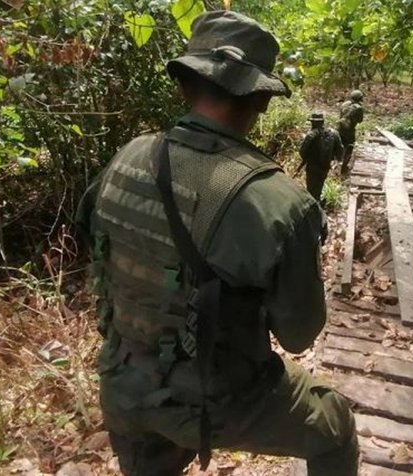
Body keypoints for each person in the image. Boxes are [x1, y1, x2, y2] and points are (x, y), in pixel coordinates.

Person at [76, 11, 358, 476]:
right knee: (335, 426)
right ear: (260, 101)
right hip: (218, 400)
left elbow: (94, 240)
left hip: (122, 383)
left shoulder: (126, 157)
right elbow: (299, 334)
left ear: (184, 85)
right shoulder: (276, 201)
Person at [298, 112, 343, 202]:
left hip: (312, 166)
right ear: (322, 122)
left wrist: (307, 159)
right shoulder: (334, 133)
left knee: (311, 189)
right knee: (319, 186)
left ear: (313, 122)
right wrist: (333, 159)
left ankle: (313, 206)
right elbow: (340, 150)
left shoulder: (311, 135)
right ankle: (317, 202)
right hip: (325, 166)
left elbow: (302, 151)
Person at [337, 89, 365, 174]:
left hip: (339, 128)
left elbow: (341, 115)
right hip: (349, 131)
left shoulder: (344, 104)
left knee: (339, 146)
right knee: (349, 148)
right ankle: (344, 168)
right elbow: (360, 120)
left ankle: (336, 165)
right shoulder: (359, 108)